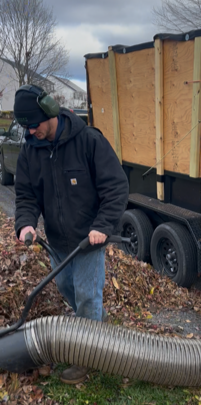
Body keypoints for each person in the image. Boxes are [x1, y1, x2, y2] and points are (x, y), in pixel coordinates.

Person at [13, 84, 129, 384]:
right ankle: (96, 329)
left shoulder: (88, 141)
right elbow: (26, 194)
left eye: (33, 125)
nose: (30, 132)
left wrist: (102, 226)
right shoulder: (30, 151)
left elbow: (116, 187)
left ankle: (87, 358)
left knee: (87, 297)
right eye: (25, 127)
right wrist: (25, 223)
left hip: (88, 241)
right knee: (67, 287)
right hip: (57, 241)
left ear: (49, 111)